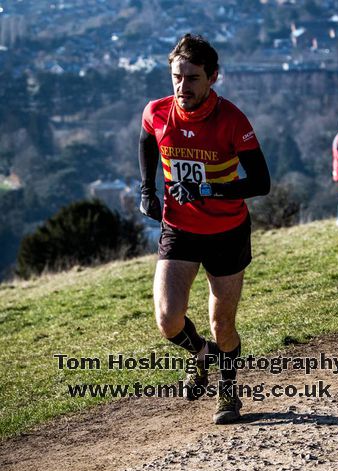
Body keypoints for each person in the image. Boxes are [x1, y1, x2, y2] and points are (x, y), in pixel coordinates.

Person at [139, 33, 270, 424]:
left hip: (227, 231)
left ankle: (228, 394)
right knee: (167, 319)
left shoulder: (232, 120)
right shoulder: (157, 111)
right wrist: (148, 190)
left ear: (213, 77)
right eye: (177, 77)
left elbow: (261, 182)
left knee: (223, 323)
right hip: (180, 228)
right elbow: (147, 139)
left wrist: (209, 189)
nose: (182, 87)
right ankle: (200, 354)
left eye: (192, 78)